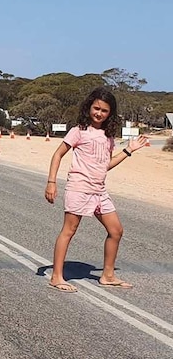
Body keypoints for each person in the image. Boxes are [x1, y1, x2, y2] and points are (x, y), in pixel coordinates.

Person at [44, 87, 150, 293]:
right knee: (69, 230)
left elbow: (105, 165)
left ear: (110, 113)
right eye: (96, 108)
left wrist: (129, 150)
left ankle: (108, 275)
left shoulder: (107, 136)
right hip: (79, 188)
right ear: (89, 107)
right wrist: (51, 182)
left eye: (104, 110)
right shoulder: (78, 131)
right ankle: (56, 276)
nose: (99, 113)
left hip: (99, 191)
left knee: (116, 230)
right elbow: (58, 155)